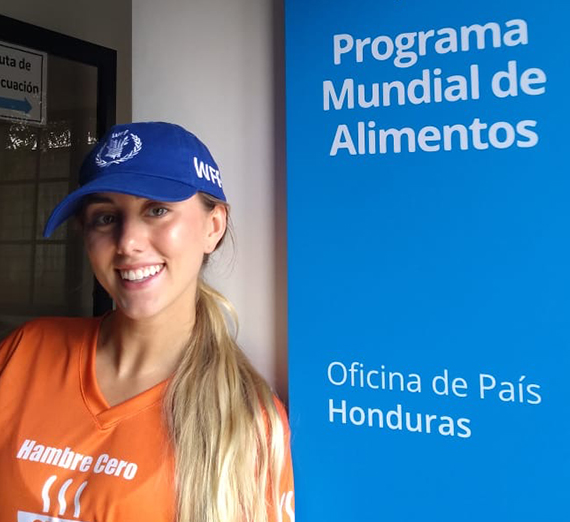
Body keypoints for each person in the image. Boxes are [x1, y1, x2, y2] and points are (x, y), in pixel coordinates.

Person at [0, 122, 295, 522]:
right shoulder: (25, 352)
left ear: (214, 226)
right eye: (105, 218)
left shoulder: (247, 420)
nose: (127, 242)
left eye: (156, 210)